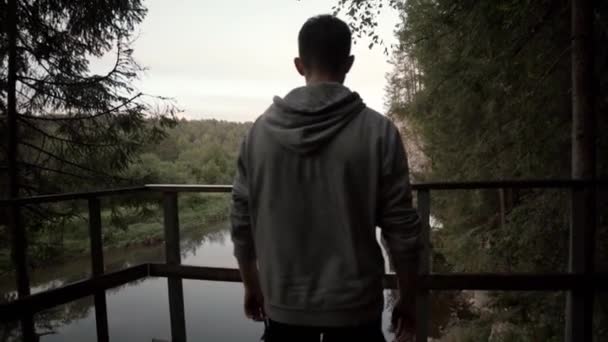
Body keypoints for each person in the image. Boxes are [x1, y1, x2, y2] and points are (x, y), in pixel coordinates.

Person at [231, 14, 421, 342]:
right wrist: (408, 296)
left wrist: (251, 285)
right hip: (356, 308)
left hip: (283, 304)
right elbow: (401, 229)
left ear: (299, 64)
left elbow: (241, 222)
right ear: (348, 63)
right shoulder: (378, 132)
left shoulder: (258, 134)